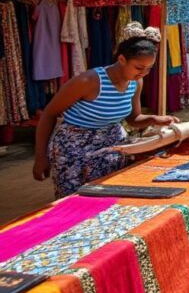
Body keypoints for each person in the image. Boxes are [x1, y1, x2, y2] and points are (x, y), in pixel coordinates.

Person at [32, 23, 180, 197]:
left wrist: (155, 119)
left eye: (149, 69)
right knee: (75, 199)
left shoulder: (135, 82)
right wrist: (41, 156)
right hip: (74, 150)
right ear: (122, 60)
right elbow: (49, 114)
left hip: (111, 147)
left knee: (109, 195)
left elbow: (133, 119)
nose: (144, 73)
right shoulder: (89, 81)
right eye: (139, 68)